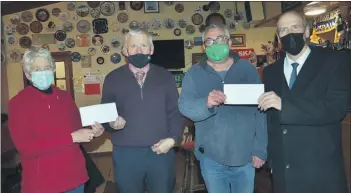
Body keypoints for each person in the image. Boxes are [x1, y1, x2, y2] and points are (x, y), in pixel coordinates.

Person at [258, 11, 351, 193]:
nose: (289, 33)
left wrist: (285, 105)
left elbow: (335, 108)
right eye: (283, 29)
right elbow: (270, 121)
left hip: (320, 169)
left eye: (295, 27)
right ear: (278, 37)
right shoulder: (270, 72)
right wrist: (272, 159)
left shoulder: (334, 61)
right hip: (284, 171)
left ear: (307, 31)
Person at [178, 24, 267, 193]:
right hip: (211, 158)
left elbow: (260, 110)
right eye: (209, 41)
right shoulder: (194, 73)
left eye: (219, 39)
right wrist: (206, 102)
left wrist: (260, 149)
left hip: (245, 155)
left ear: (230, 43)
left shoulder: (247, 69)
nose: (215, 44)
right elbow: (184, 106)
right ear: (204, 47)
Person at [93, 29, 184, 193]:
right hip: (126, 154)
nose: (139, 50)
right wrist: (111, 123)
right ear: (125, 51)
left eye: (143, 45)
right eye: (133, 46)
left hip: (161, 152)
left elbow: (175, 112)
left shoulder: (165, 76)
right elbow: (105, 114)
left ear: (151, 49)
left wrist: (173, 139)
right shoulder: (112, 78)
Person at [8, 47, 105, 193]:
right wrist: (71, 138)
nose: (43, 72)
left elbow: (78, 129)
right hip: (42, 183)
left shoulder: (65, 96)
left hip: (75, 178)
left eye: (47, 67)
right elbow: (26, 148)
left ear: (53, 70)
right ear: (28, 74)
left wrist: (93, 132)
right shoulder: (18, 103)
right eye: (37, 69)